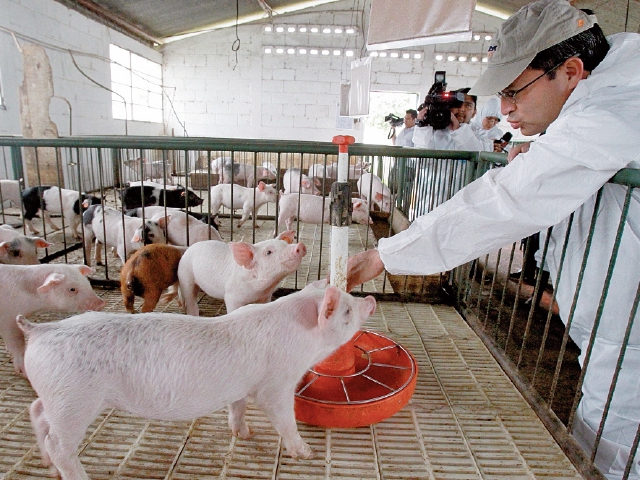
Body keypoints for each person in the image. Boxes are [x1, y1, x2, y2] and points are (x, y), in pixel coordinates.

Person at [346, 1, 640, 477]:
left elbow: (506, 200)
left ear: (570, 70)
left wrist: (386, 254)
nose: (504, 109)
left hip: (630, 338)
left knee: (618, 445)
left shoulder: (614, 109)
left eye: (512, 91)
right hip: (617, 323)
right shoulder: (609, 91)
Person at [412, 88, 485, 150]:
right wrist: (422, 128)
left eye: (468, 105)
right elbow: (420, 158)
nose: (461, 109)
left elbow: (477, 155)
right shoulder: (436, 131)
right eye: (457, 104)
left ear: (474, 113)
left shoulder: (480, 134)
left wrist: (458, 130)